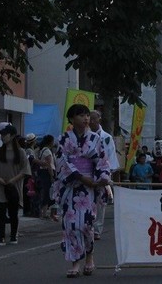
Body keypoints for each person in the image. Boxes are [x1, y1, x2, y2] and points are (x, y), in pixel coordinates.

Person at [53, 103, 111, 277]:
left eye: (87, 115)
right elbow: (61, 162)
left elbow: (102, 160)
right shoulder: (63, 139)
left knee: (86, 224)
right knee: (71, 225)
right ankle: (75, 262)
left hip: (90, 188)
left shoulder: (96, 138)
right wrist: (79, 176)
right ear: (71, 119)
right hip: (72, 186)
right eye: (81, 115)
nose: (86, 118)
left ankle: (89, 257)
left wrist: (101, 179)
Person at [0, 124, 32, 246]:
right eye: (1, 134)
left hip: (14, 186)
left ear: (12, 135)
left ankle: (13, 236)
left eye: (5, 134)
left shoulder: (21, 152)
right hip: (0, 185)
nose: (3, 137)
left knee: (13, 212)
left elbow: (25, 170)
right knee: (0, 211)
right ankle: (1, 237)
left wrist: (13, 180)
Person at [88, 110, 118, 241]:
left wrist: (108, 173)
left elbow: (111, 155)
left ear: (99, 119)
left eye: (94, 119)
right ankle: (88, 227)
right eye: (90, 119)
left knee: (100, 202)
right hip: (88, 172)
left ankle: (97, 229)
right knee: (88, 200)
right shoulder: (86, 135)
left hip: (102, 172)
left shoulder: (106, 137)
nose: (92, 121)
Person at [35, 135, 56, 220]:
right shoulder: (47, 151)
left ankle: (43, 212)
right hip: (47, 173)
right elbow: (49, 165)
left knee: (45, 192)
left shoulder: (42, 150)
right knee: (47, 192)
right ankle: (44, 213)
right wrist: (52, 175)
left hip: (42, 172)